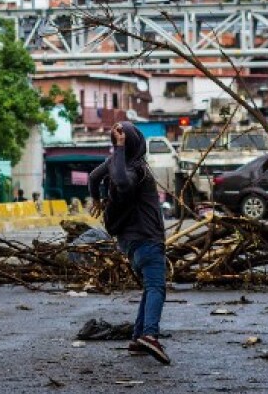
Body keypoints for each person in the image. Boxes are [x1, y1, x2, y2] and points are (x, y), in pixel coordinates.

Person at [88, 122, 170, 365]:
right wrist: (122, 148)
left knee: (149, 286)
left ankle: (138, 338)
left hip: (129, 243)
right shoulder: (136, 169)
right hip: (147, 238)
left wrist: (97, 199)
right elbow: (123, 183)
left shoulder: (115, 163)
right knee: (157, 287)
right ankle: (150, 335)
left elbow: (93, 177)